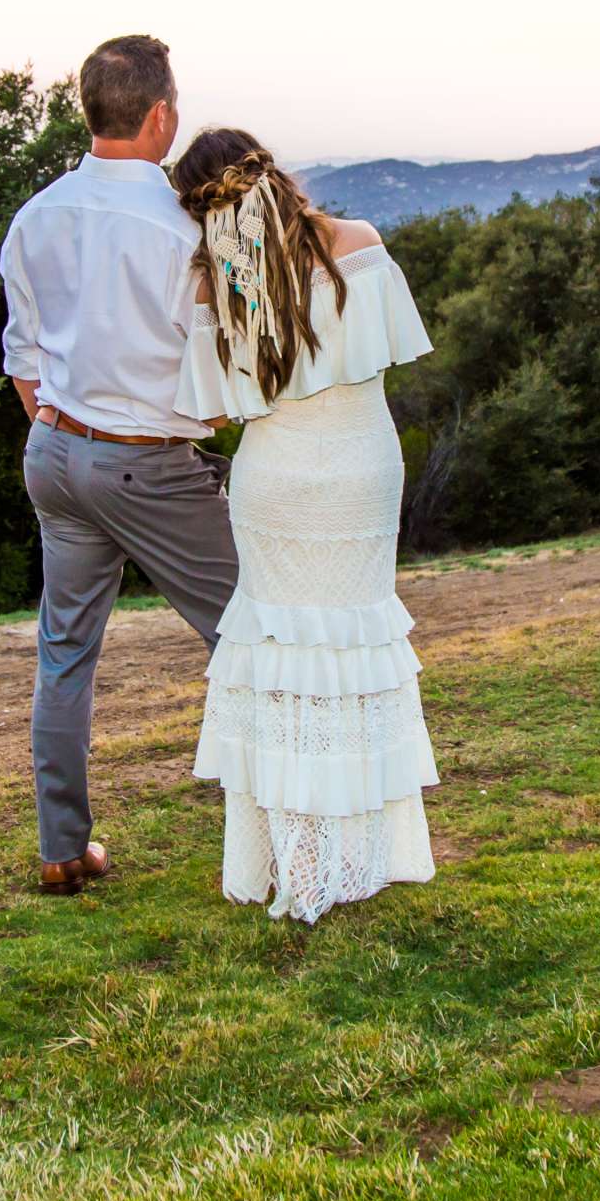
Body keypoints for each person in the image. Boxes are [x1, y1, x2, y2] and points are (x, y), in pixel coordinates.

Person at [167, 127, 440, 922]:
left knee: (285, 660)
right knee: (353, 653)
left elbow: (216, 411)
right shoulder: (358, 244)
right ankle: (354, 858)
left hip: (277, 482)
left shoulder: (218, 284)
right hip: (361, 473)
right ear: (273, 171)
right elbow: (389, 350)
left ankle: (302, 862)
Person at [0, 35, 239, 894]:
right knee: (254, 632)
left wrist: (66, 437)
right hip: (146, 465)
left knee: (64, 654)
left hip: (53, 454)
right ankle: (290, 818)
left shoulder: (34, 217)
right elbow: (215, 389)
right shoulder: (180, 233)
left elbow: (23, 362)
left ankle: (63, 849)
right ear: (162, 115)